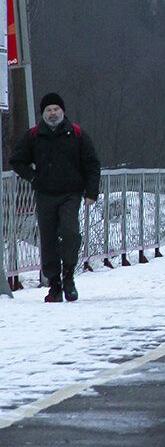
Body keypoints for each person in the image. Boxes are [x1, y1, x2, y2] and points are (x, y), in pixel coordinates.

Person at [10, 93, 101, 302]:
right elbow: (17, 160)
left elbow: (92, 164)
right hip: (45, 194)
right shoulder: (34, 135)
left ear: (63, 111)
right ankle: (55, 284)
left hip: (71, 193)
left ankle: (69, 276)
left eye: (56, 110)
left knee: (70, 233)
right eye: (48, 110)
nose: (52, 114)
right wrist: (32, 177)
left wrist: (91, 192)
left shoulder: (76, 133)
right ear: (43, 114)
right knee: (48, 238)